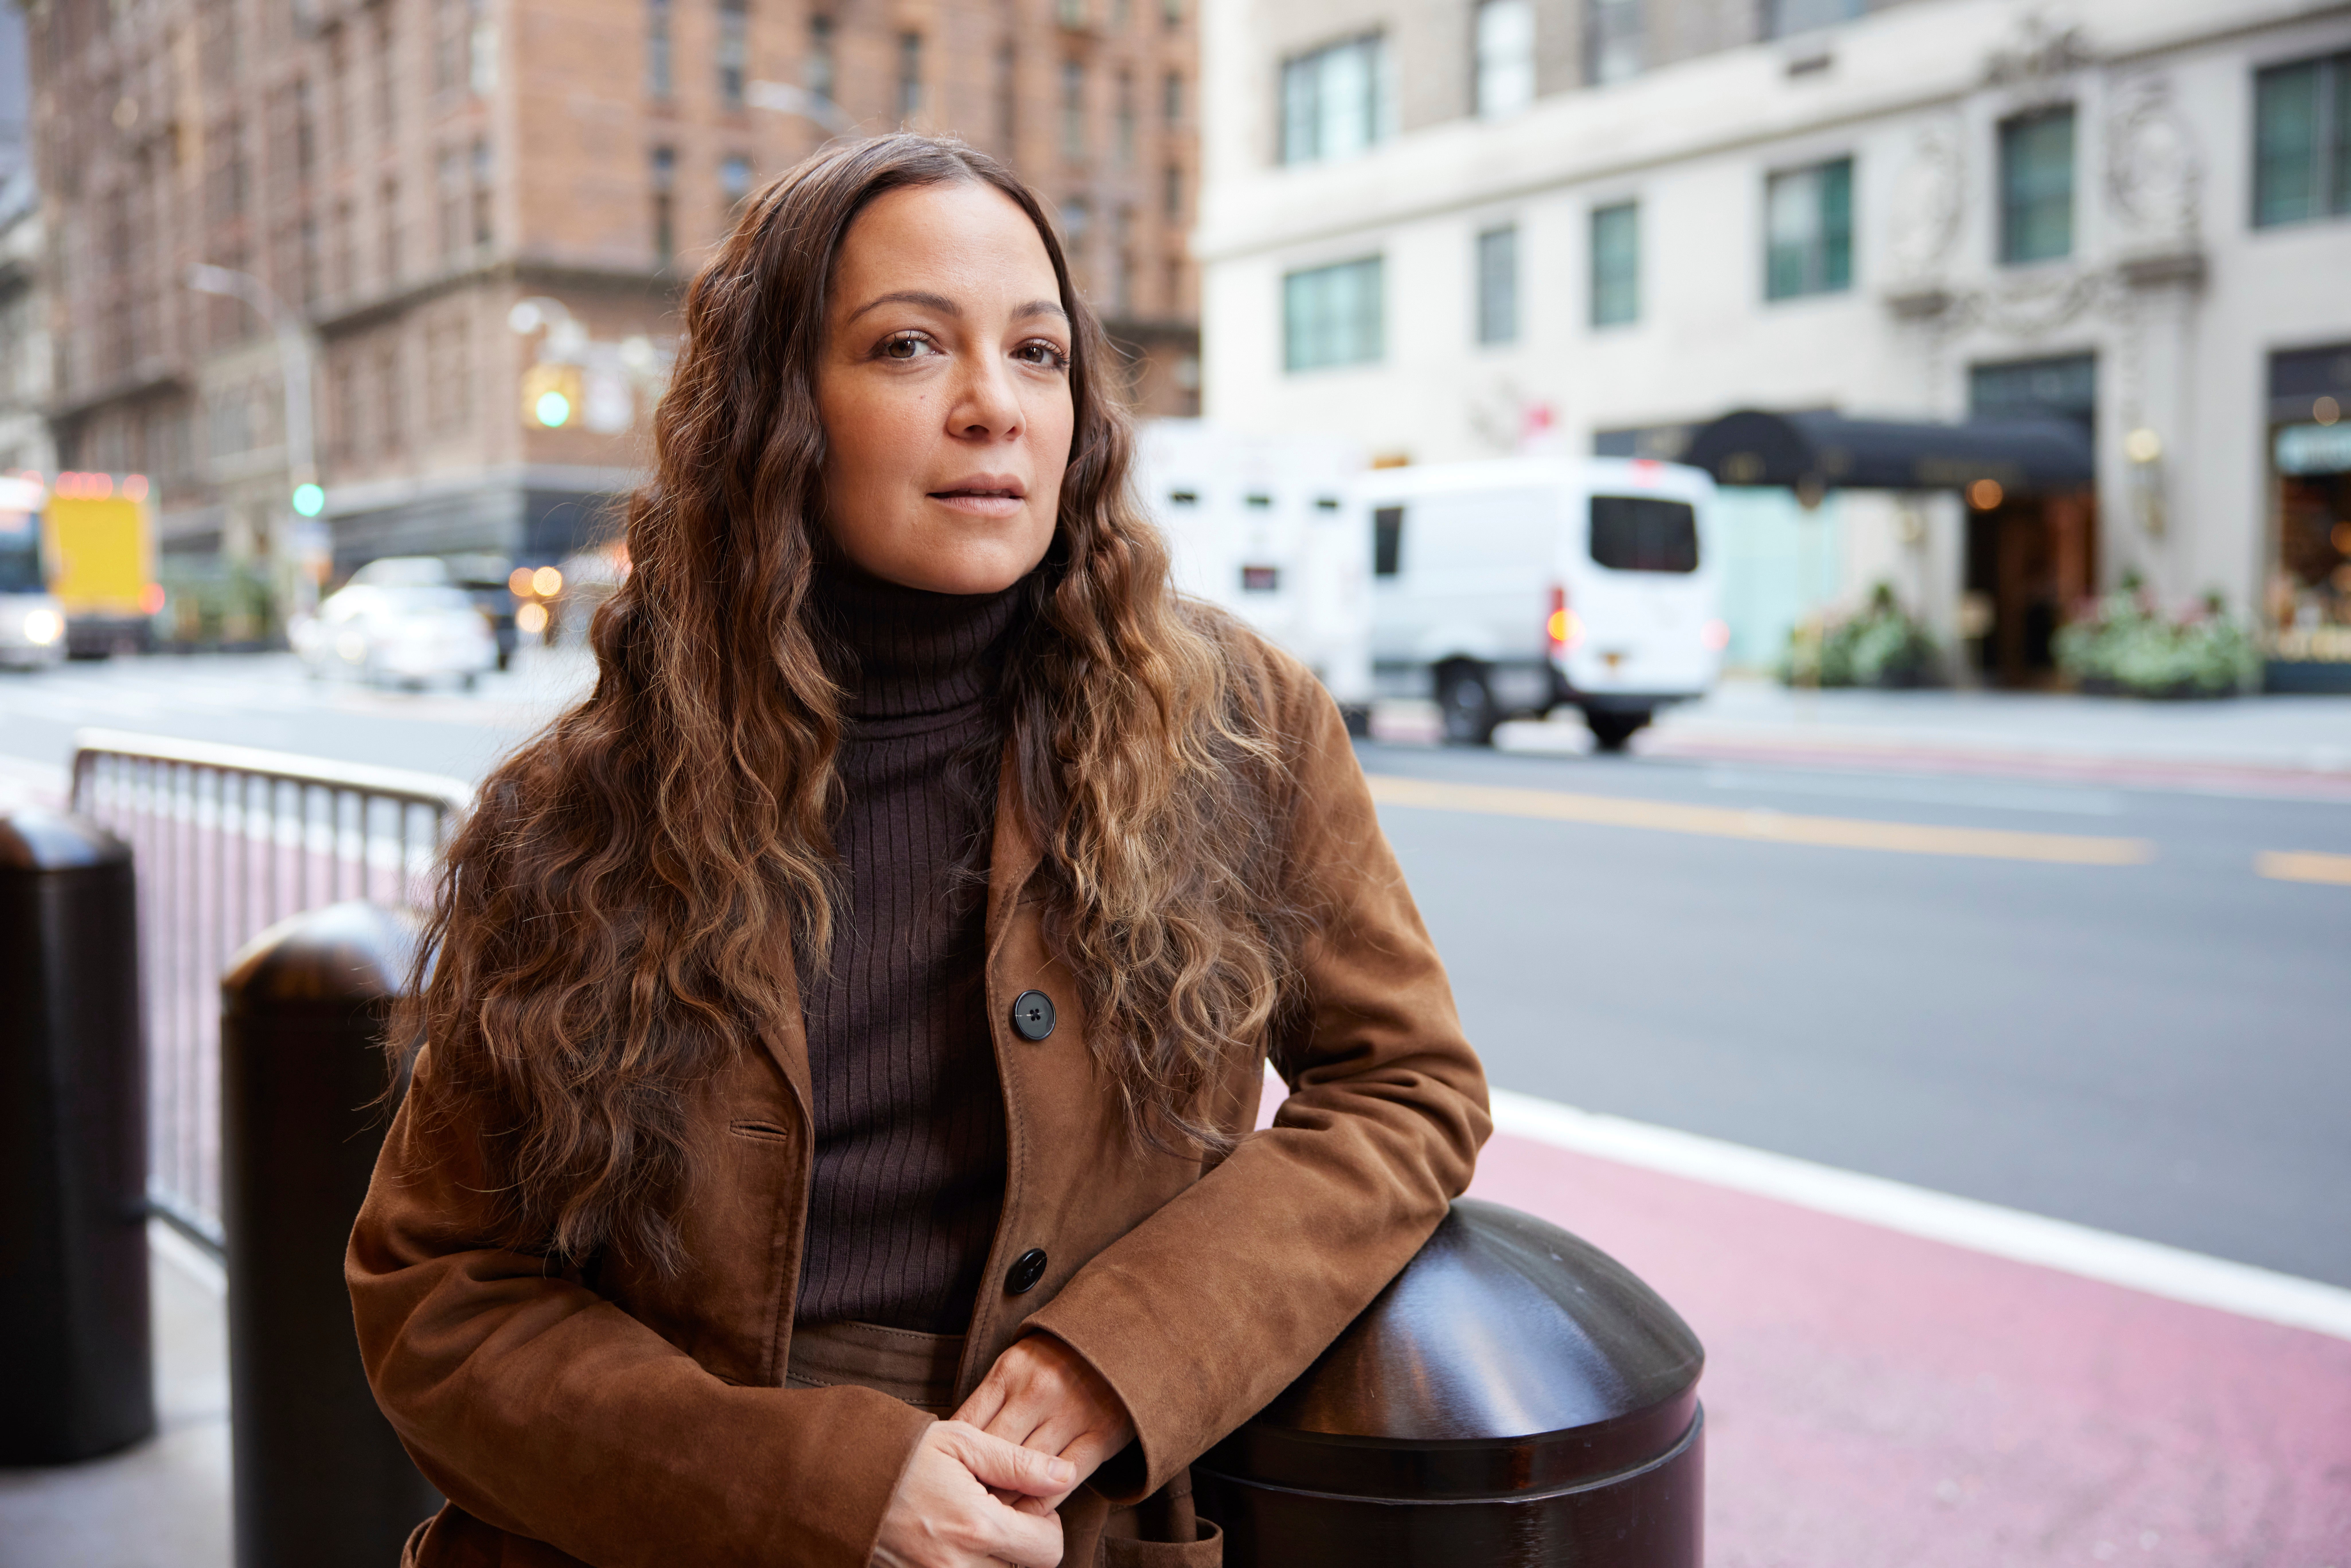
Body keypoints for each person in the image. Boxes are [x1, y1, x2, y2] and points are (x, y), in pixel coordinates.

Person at [347, 133, 1489, 1568]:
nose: (993, 405)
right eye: (907, 347)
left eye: (1038, 353)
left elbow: (1406, 1088)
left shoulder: (1235, 725)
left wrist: (1123, 1355)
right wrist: (823, 1490)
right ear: (779, 407)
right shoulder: (580, 809)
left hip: (1052, 1518)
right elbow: (440, 1295)